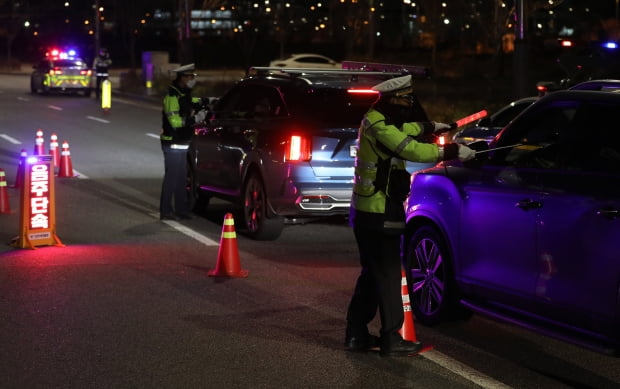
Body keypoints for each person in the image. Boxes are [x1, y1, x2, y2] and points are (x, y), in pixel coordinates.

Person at [345, 74, 476, 357]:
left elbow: (408, 128)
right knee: (390, 275)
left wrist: (431, 126)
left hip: (368, 211)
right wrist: (452, 150)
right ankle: (392, 339)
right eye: (406, 101)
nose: (408, 105)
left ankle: (356, 333)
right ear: (394, 100)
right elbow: (411, 148)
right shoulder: (380, 125)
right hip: (380, 211)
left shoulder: (378, 119)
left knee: (371, 274)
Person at [160, 63, 208, 220]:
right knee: (172, 178)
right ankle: (166, 211)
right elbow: (175, 121)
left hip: (182, 142)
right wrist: (196, 118)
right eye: (190, 77)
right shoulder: (172, 96)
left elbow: (193, 101)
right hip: (172, 142)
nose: (192, 80)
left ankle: (181, 210)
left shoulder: (183, 93)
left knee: (181, 178)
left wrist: (209, 101)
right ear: (182, 78)